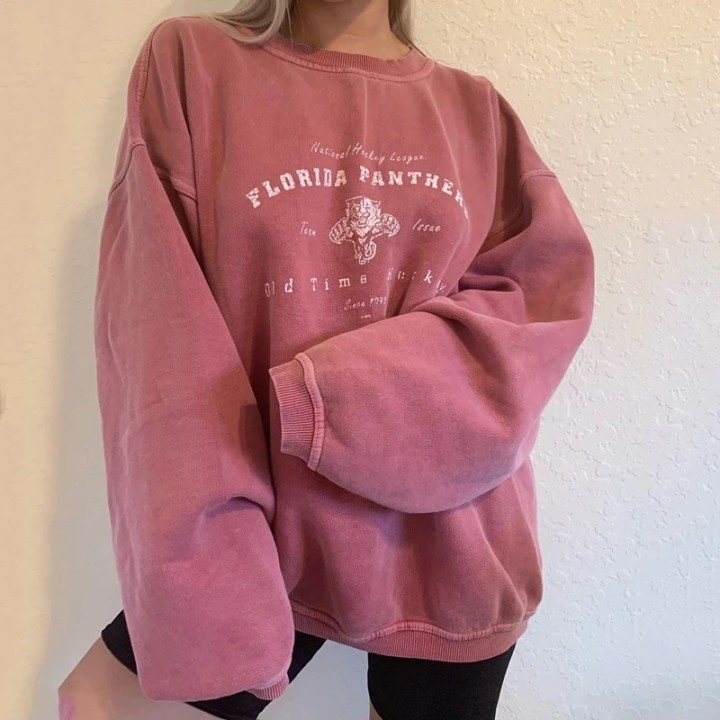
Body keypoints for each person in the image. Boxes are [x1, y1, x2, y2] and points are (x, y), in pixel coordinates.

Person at [58, 0, 595, 718]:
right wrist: (207, 546)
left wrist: (329, 398)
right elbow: (159, 337)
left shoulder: (476, 111)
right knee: (95, 702)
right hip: (267, 530)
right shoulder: (194, 65)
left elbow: (541, 304)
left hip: (457, 538)